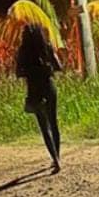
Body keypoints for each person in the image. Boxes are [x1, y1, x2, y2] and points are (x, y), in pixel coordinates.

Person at [15, 23, 63, 173]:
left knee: (44, 126)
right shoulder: (46, 47)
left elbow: (18, 73)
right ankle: (58, 157)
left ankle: (55, 159)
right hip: (49, 86)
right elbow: (59, 66)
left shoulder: (22, 52)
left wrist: (30, 70)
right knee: (53, 122)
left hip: (35, 90)